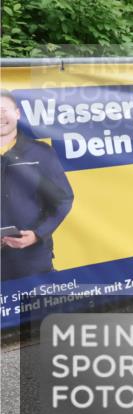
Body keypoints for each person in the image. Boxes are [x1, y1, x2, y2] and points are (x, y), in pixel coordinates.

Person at [0, 89, 75, 281]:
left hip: (32, 261)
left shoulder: (40, 153)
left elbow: (62, 200)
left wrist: (36, 234)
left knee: (36, 310)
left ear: (17, 113)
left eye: (4, 110)